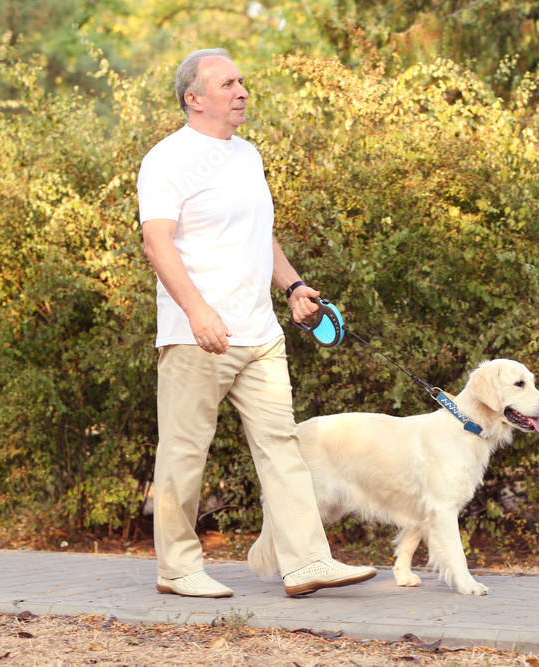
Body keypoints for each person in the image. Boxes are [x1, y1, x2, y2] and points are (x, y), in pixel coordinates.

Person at [136, 48, 377, 598]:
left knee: (282, 447)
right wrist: (198, 312)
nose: (242, 91)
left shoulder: (246, 155)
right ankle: (177, 570)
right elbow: (157, 242)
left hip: (259, 334)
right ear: (194, 99)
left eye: (242, 82)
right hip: (199, 335)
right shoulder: (167, 159)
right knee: (183, 455)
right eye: (227, 84)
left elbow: (258, 235)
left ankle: (307, 562)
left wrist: (292, 287)